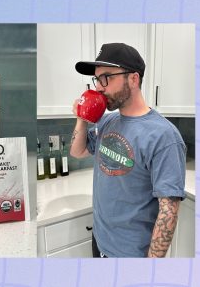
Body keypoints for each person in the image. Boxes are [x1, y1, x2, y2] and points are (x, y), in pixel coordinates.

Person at [70, 43, 186, 258]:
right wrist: (82, 118)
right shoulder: (107, 122)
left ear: (133, 79)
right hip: (101, 241)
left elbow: (168, 211)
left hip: (130, 253)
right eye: (97, 79)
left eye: (106, 78)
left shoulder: (164, 136)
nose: (98, 88)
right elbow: (78, 152)